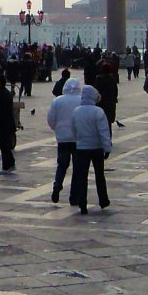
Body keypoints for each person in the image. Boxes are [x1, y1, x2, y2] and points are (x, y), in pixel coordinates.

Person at [68, 85, 112, 214]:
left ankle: (82, 203)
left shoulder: (76, 111)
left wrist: (78, 141)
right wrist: (107, 147)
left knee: (82, 176)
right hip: (96, 148)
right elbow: (104, 131)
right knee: (99, 175)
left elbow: (73, 130)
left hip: (81, 148)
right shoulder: (98, 111)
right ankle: (103, 200)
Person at [46, 76, 83, 204]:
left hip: (62, 138)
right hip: (78, 139)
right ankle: (74, 196)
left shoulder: (57, 101)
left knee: (62, 165)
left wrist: (56, 129)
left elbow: (51, 119)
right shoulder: (82, 100)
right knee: (77, 168)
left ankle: (57, 185)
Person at [0, 73, 17, 174]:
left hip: (4, 124)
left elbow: (1, 111)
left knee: (4, 145)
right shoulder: (5, 93)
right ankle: (10, 164)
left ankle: (6, 166)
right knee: (4, 145)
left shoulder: (1, 94)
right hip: (7, 123)